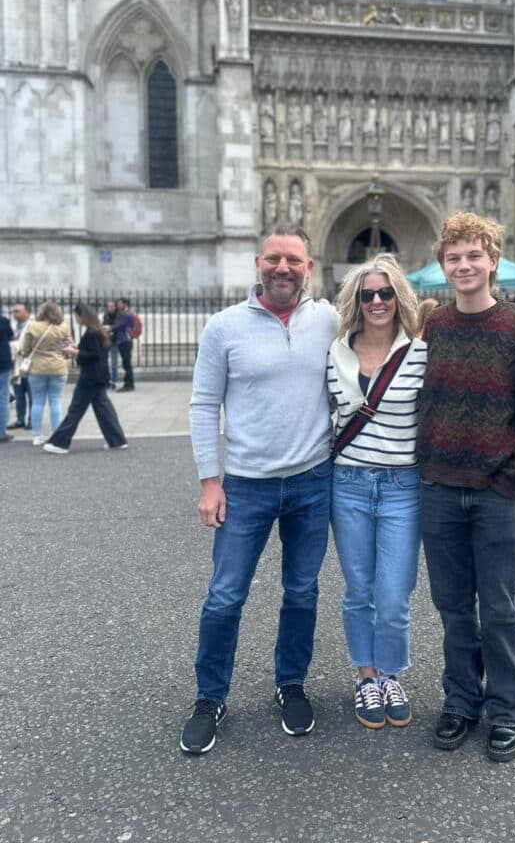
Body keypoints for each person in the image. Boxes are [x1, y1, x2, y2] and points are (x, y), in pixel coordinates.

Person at [180, 225, 339, 756]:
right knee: (226, 595)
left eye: (293, 260)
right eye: (274, 259)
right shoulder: (224, 326)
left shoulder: (330, 321)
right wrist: (209, 480)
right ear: (257, 263)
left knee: (302, 591)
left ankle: (290, 683)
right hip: (246, 484)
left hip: (313, 481)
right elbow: (204, 404)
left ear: (309, 267)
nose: (283, 268)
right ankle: (210, 697)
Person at [416, 213, 515, 763]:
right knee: (452, 606)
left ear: (493, 260)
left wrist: (512, 477)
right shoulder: (435, 327)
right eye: (454, 257)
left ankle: (507, 705)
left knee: (498, 606)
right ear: (444, 266)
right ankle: (461, 700)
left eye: (474, 255)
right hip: (440, 489)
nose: (464, 265)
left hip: (497, 493)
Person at [327, 255, 426, 730]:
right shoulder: (335, 353)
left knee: (394, 594)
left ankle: (390, 672)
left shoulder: (421, 353)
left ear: (398, 298)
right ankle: (367, 676)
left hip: (402, 486)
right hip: (346, 484)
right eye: (368, 294)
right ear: (356, 301)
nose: (377, 301)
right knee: (359, 590)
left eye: (385, 293)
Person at [42, 304, 128, 454]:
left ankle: (60, 443)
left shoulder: (91, 333)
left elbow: (94, 355)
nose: (75, 319)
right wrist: (76, 348)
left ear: (82, 316)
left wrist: (75, 353)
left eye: (76, 316)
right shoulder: (97, 330)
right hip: (99, 375)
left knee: (76, 410)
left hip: (90, 377)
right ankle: (117, 440)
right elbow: (95, 352)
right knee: (104, 409)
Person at [19, 300, 71, 446]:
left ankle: (36, 436)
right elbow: (68, 346)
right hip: (58, 367)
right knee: (55, 401)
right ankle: (55, 434)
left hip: (37, 368)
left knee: (37, 402)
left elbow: (25, 349)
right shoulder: (63, 326)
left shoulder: (33, 326)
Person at [9, 302, 32, 428]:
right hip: (16, 364)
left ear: (27, 313)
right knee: (19, 393)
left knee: (31, 393)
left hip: (28, 364)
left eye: (18, 311)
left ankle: (32, 420)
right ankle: (20, 419)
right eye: (14, 311)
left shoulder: (32, 326)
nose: (15, 314)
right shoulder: (12, 326)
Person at [113, 298, 136, 392]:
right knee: (126, 363)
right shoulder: (122, 314)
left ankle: (129, 384)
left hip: (125, 341)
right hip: (122, 341)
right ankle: (128, 383)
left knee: (127, 364)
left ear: (125, 304)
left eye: (119, 304)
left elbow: (119, 325)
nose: (117, 306)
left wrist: (108, 328)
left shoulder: (127, 315)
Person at [0, 307, 14, 442]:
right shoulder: (3, 321)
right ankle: (1, 432)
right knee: (3, 397)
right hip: (2, 363)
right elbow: (10, 336)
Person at [102, 300, 120, 389]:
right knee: (104, 362)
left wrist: (111, 329)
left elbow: (119, 327)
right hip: (106, 340)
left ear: (115, 307)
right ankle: (107, 380)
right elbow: (103, 325)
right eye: (108, 306)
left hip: (115, 341)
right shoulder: (105, 315)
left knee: (114, 362)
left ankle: (114, 380)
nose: (110, 308)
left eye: (111, 306)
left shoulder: (118, 316)